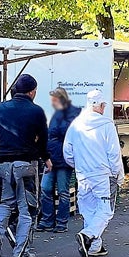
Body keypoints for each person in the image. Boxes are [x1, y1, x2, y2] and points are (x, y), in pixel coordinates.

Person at [0, 73, 48, 257]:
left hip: (4, 164)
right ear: (32, 91)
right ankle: (21, 252)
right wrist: (45, 157)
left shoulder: (1, 108)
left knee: (5, 203)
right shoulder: (36, 111)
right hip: (26, 165)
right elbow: (43, 139)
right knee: (27, 209)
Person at [62, 88, 124, 257]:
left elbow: (67, 152)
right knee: (105, 211)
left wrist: (79, 166)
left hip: (83, 176)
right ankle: (87, 235)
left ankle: (94, 246)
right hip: (103, 175)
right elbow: (114, 153)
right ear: (101, 105)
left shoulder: (75, 125)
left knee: (89, 210)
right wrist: (118, 174)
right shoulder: (106, 125)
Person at [44, 87, 81, 232]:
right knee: (46, 188)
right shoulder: (58, 114)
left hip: (63, 158)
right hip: (53, 155)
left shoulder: (72, 113)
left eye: (54, 100)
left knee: (62, 191)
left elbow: (65, 131)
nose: (52, 103)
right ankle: (48, 220)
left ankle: (61, 222)